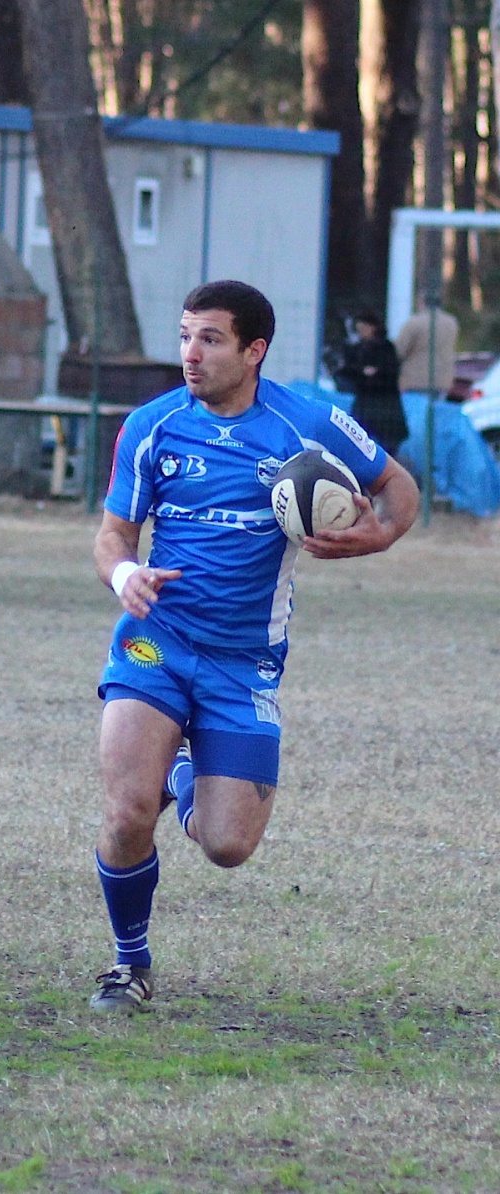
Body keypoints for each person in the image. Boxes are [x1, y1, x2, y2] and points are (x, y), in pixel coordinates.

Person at [89, 280, 419, 1014]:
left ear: (254, 350)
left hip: (244, 664)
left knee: (228, 845)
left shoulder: (308, 424)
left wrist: (378, 535)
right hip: (155, 643)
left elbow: (399, 487)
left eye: (210, 339)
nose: (190, 354)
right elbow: (113, 534)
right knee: (126, 810)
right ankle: (128, 965)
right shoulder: (151, 426)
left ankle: (182, 771)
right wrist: (125, 575)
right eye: (185, 336)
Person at [333, 311, 407, 456]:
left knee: (386, 445)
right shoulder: (358, 349)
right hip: (366, 403)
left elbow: (391, 372)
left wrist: (375, 373)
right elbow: (346, 371)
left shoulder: (385, 348)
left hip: (385, 405)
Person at [395, 293, 458, 400]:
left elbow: (399, 350)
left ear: (422, 302)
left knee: (416, 408)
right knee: (436, 408)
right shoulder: (451, 322)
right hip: (442, 380)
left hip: (415, 380)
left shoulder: (414, 323)